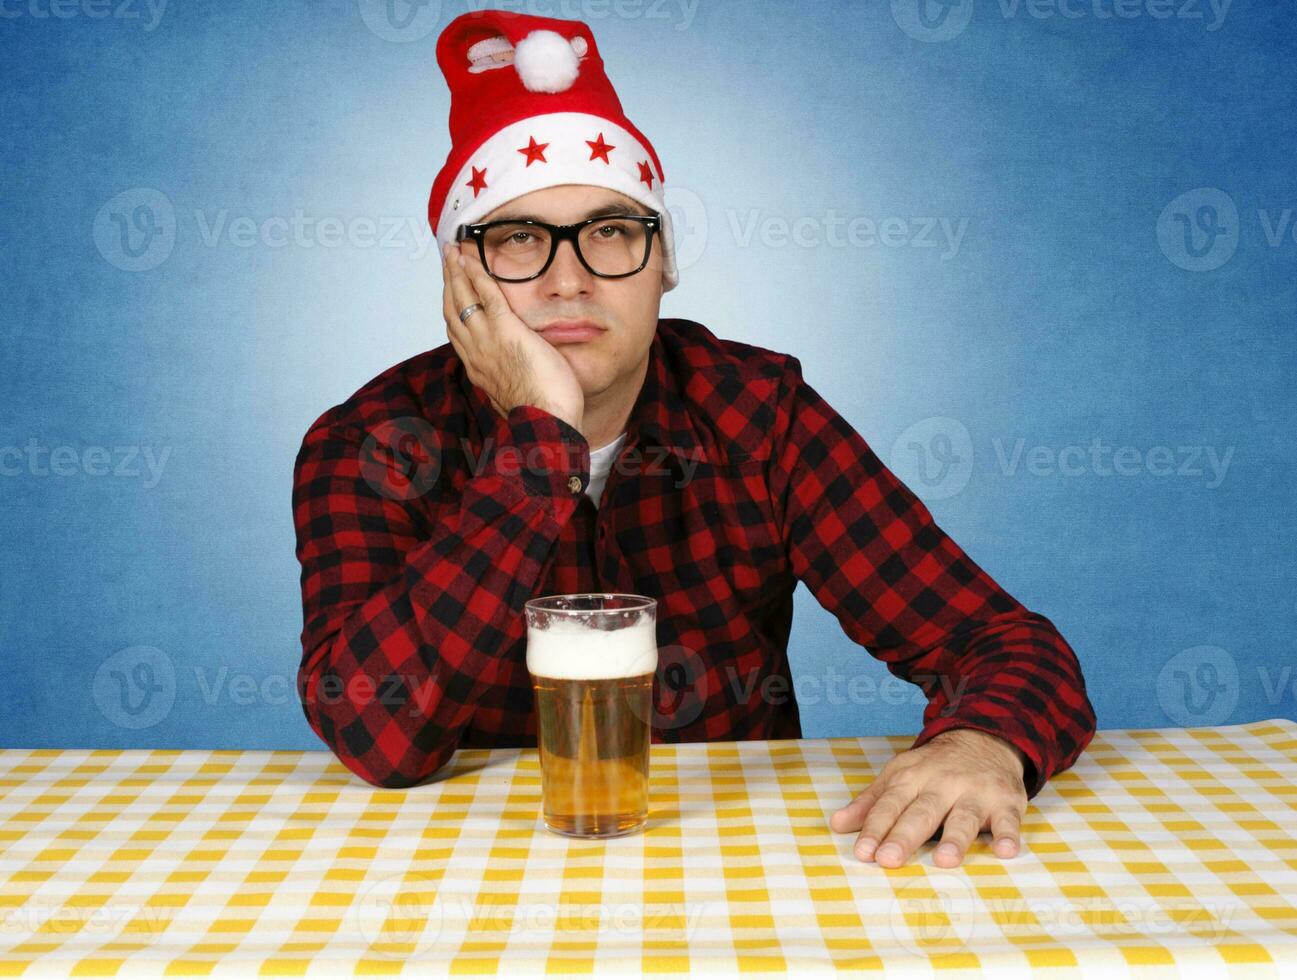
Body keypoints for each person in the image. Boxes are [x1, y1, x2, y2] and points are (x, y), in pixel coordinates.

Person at [291, 8, 1097, 870]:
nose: (569, 280)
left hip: (735, 856)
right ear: (461, 277)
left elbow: (1003, 643)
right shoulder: (371, 442)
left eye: (610, 232)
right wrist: (539, 441)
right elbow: (376, 734)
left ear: (663, 260)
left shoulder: (759, 413)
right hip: (463, 869)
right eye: (517, 239)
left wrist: (981, 743)